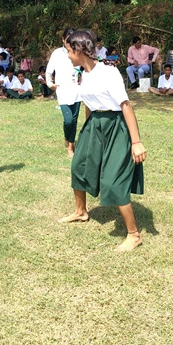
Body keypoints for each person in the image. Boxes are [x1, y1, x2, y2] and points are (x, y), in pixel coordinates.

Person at [58, 30, 146, 253]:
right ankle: (81, 212)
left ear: (78, 50)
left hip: (115, 126)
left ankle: (134, 235)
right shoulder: (82, 74)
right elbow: (89, 104)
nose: (67, 55)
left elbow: (125, 105)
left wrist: (136, 142)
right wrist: (88, 133)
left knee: (113, 180)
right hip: (94, 124)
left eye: (69, 50)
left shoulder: (108, 73)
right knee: (79, 165)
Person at [46, 28, 82, 157]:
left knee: (74, 119)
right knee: (68, 120)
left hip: (77, 90)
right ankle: (67, 137)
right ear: (63, 39)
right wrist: (50, 84)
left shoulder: (78, 51)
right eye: (68, 39)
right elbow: (49, 71)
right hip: (62, 90)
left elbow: (84, 68)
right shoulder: (57, 53)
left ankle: (71, 146)